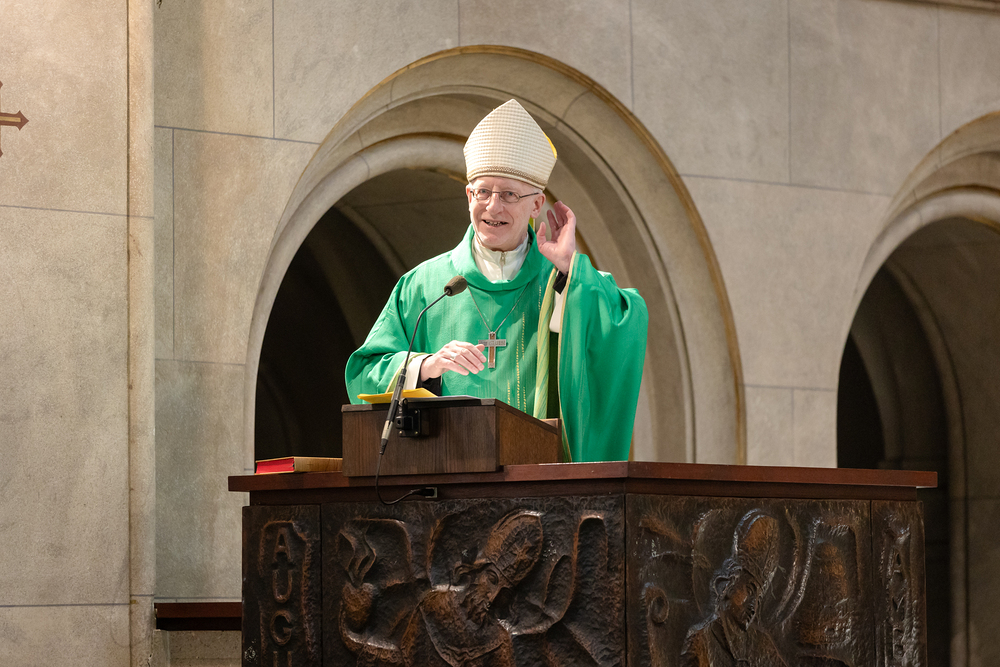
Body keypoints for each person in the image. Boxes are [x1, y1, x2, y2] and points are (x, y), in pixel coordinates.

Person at [345, 99, 647, 462]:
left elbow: (624, 323)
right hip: (447, 472)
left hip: (540, 477)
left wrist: (571, 269)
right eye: (483, 192)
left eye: (509, 194)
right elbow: (364, 374)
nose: (493, 207)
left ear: (536, 205)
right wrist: (426, 366)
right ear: (468, 196)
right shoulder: (425, 285)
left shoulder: (562, 280)